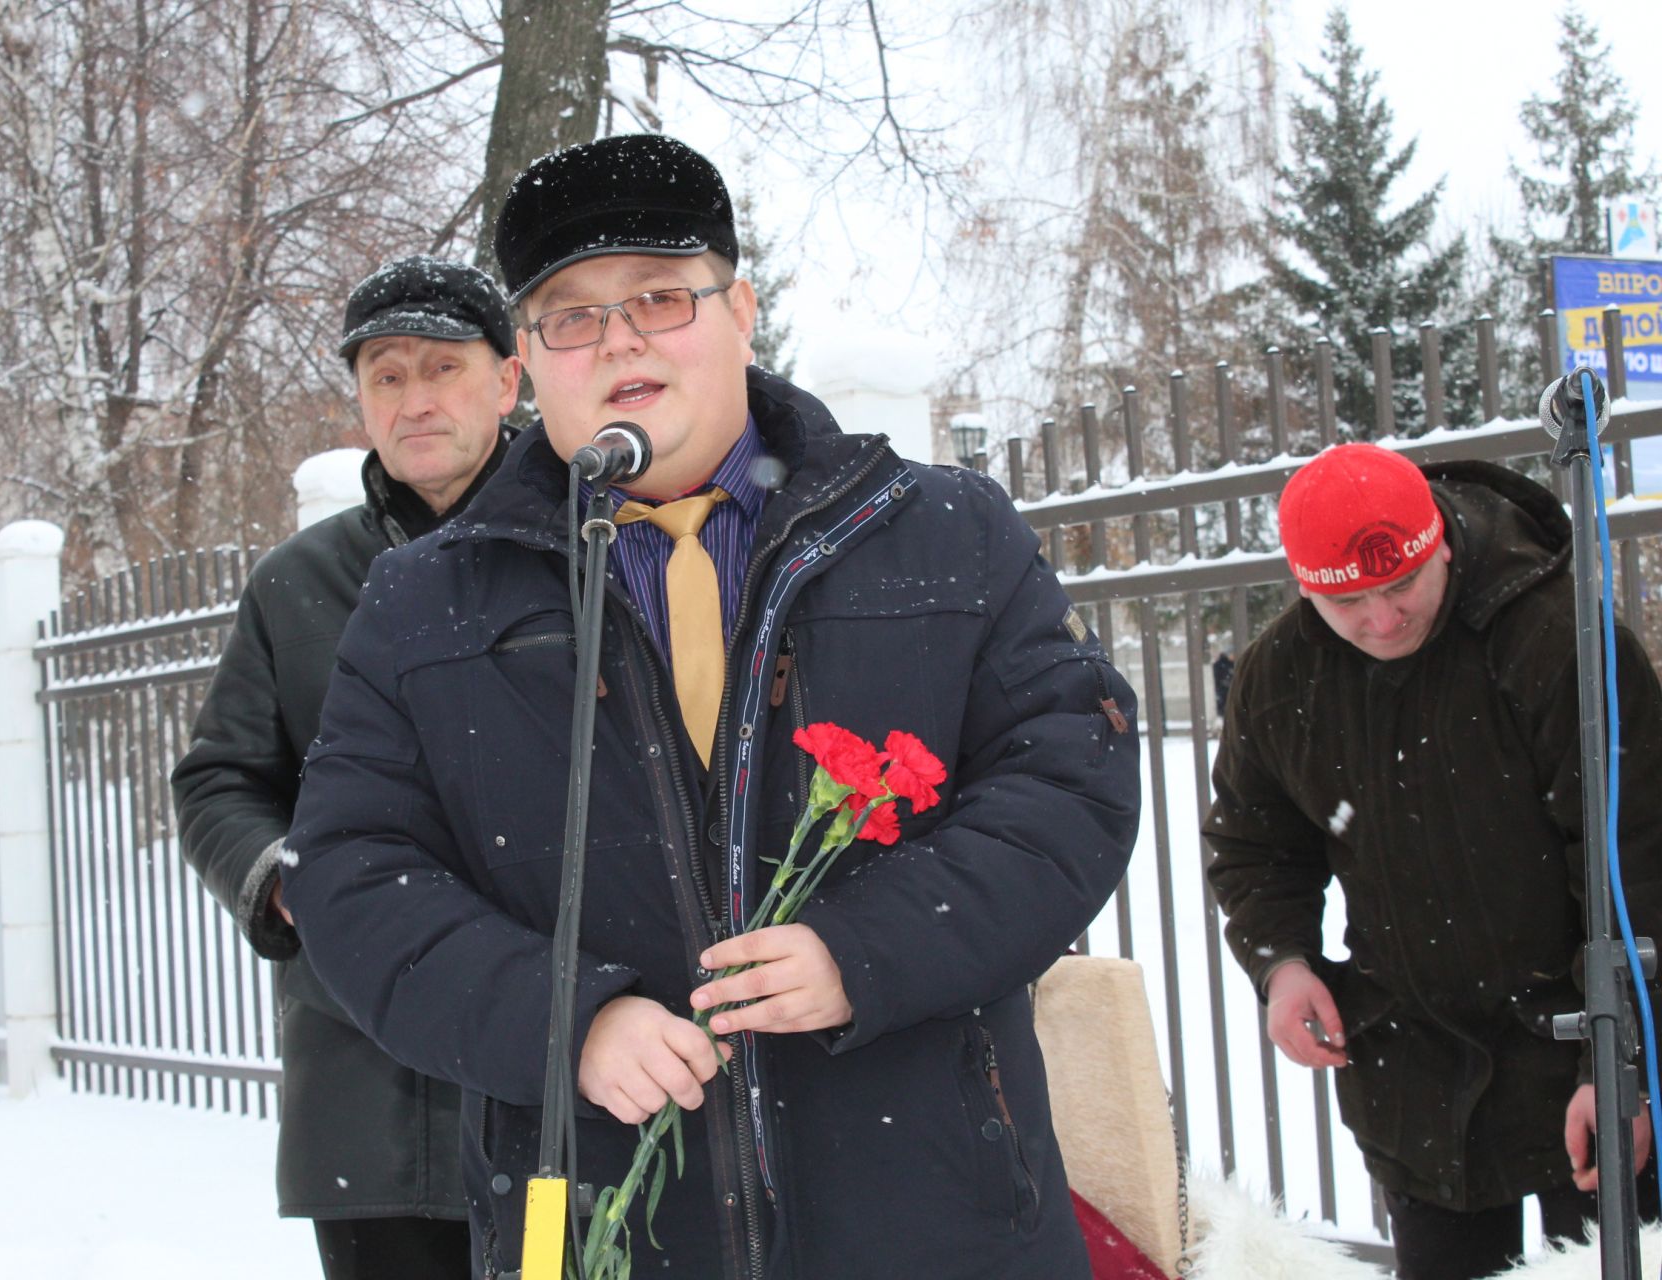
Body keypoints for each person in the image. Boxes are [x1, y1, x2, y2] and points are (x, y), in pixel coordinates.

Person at [280, 133, 1141, 1280]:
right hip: (616, 1221)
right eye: (571, 315)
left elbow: (1069, 775)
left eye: (659, 296)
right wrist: (565, 1022)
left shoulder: (938, 534)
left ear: (740, 309)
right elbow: (351, 869)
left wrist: (866, 948)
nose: (619, 338)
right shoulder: (425, 598)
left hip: (937, 1215)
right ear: (530, 361)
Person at [1203, 442, 1662, 1280]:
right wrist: (1283, 961)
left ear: (1439, 543)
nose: (1382, 620)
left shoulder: (1557, 640)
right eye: (1348, 601)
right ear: (1305, 586)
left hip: (1580, 1044)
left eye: (1400, 585)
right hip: (1413, 1067)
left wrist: (1621, 1058)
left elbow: (1641, 859)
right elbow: (1254, 844)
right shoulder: (1282, 675)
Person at [171, 255, 521, 1280]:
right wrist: (284, 878)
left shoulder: (591, 549)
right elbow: (219, 777)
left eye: (443, 368)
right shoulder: (298, 584)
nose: (415, 399)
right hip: (370, 1088)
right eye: (386, 374)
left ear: (507, 380)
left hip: (561, 1080)